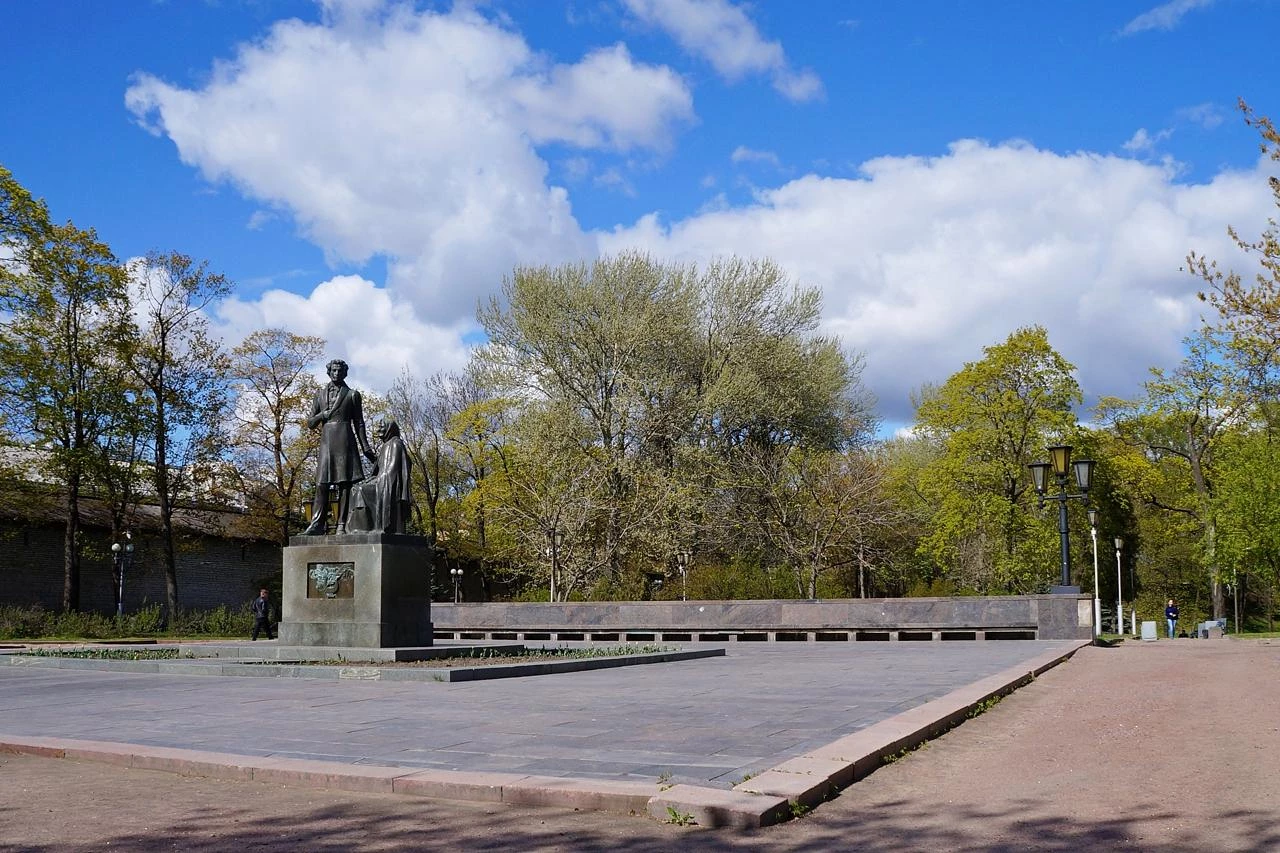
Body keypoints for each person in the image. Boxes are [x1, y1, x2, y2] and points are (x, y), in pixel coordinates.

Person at [302, 359, 374, 535]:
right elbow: (310, 423)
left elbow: (359, 422)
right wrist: (322, 415)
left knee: (344, 484)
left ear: (345, 373)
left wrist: (365, 447)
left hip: (345, 439)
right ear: (329, 372)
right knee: (322, 483)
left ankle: (342, 523)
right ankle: (317, 524)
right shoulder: (319, 395)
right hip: (326, 441)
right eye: (334, 370)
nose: (336, 374)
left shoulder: (352, 395)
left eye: (340, 371)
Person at [347, 419, 413, 535]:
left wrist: (378, 480)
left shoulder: (396, 444)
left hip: (389, 484)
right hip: (381, 481)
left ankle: (365, 527)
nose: (378, 430)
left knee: (361, 490)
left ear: (389, 428)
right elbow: (377, 471)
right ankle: (358, 527)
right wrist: (370, 480)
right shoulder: (384, 446)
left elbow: (392, 469)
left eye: (381, 427)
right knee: (355, 489)